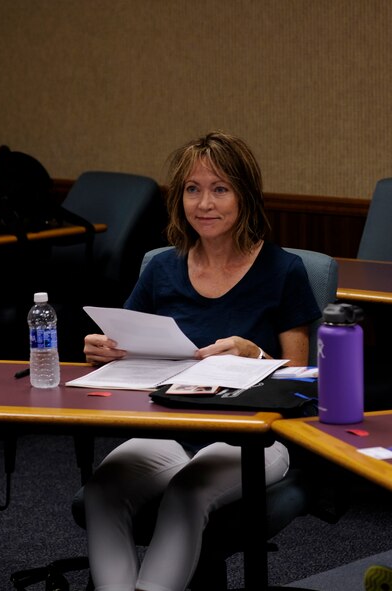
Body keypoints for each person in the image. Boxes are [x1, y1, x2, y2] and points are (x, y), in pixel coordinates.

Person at [81, 131, 321, 591]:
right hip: (167, 432)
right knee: (101, 491)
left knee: (187, 492)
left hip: (252, 441)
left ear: (245, 196)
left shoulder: (283, 270)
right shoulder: (161, 268)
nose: (204, 203)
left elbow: (302, 385)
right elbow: (126, 349)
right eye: (193, 189)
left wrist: (256, 354)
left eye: (219, 189)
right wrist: (102, 353)